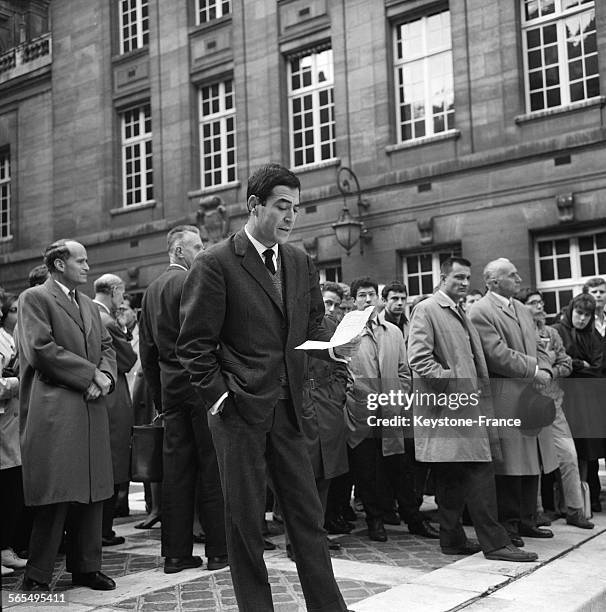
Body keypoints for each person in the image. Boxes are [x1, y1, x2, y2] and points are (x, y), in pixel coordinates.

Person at [177, 164, 352, 612]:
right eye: (282, 207)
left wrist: (337, 342)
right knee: (245, 524)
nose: (292, 217)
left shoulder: (300, 260)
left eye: (296, 208)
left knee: (308, 518)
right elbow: (194, 345)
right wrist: (220, 398)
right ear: (254, 206)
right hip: (239, 413)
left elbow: (311, 324)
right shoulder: (215, 262)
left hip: (293, 409)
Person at [408, 258, 538, 562]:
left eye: (468, 278)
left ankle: (451, 539)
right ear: (442, 278)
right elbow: (418, 358)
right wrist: (454, 386)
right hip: (450, 411)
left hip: (463, 411)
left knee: (452, 479)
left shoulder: (458, 310)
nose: (465, 283)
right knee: (481, 475)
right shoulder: (427, 310)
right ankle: (495, 543)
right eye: (458, 278)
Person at [17, 239, 117, 592]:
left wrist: (103, 377)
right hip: (56, 412)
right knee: (57, 493)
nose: (88, 267)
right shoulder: (35, 299)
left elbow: (107, 346)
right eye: (81, 261)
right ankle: (38, 574)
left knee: (93, 491)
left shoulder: (88, 304)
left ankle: (88, 567)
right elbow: (43, 350)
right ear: (59, 265)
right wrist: (92, 375)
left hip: (90, 408)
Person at [139, 225, 227, 574]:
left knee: (175, 474)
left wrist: (160, 398)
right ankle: (219, 551)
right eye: (197, 246)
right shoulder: (192, 281)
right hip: (201, 386)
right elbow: (209, 336)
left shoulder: (150, 290)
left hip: (171, 390)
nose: (202, 252)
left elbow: (147, 351)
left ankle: (175, 555)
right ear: (178, 251)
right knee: (211, 468)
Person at [468, 258, 558, 547]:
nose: (519, 279)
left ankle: (528, 519)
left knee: (533, 458)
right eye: (512, 275)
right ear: (493, 281)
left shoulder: (520, 308)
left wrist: (546, 370)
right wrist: (535, 369)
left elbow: (538, 345)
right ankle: (509, 523)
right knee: (510, 464)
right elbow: (497, 354)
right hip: (506, 395)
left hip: (531, 393)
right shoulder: (481, 311)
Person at [345, 277, 438, 542]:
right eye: (361, 295)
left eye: (371, 294)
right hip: (360, 413)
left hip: (391, 410)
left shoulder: (393, 332)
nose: (367, 299)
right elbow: (342, 371)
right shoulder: (345, 332)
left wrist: (399, 398)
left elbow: (403, 370)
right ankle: (375, 520)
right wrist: (354, 398)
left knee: (401, 467)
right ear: (353, 301)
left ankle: (413, 518)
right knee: (367, 470)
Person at [285, 282, 351, 559]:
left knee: (325, 474)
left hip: (327, 404)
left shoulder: (331, 325)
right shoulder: (289, 322)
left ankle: (317, 535)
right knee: (301, 477)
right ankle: (296, 541)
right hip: (300, 403)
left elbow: (341, 362)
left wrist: (336, 395)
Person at [519, 289, 593, 528]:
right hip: (528, 404)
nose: (539, 306)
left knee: (569, 456)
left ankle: (575, 510)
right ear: (521, 307)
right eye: (533, 303)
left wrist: (550, 370)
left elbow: (566, 363)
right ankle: (536, 511)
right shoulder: (519, 334)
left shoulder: (551, 332)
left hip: (554, 404)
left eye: (541, 302)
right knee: (533, 461)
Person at [93, 274, 138, 546]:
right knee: (112, 461)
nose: (123, 298)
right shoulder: (107, 319)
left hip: (102, 393)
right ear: (115, 290)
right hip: (112, 395)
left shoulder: (88, 311)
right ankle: (103, 529)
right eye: (122, 292)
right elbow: (128, 358)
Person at [552, 293, 606, 509]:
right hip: (565, 398)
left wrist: (578, 366)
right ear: (571, 310)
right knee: (567, 449)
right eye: (579, 313)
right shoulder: (558, 331)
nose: (582, 318)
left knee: (589, 451)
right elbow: (559, 362)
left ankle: (589, 499)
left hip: (589, 400)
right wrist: (580, 364)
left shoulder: (594, 337)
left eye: (586, 315)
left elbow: (599, 369)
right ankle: (566, 502)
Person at [0, 293, 27, 575]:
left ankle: (7, 548)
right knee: (8, 487)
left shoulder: (14, 337)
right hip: (5, 422)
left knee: (13, 486)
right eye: (13, 310)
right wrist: (19, 380)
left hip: (14, 421)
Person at [582, 277, 606, 512]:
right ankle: (595, 496)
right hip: (590, 392)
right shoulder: (582, 322)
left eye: (602, 291)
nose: (599, 295)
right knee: (591, 447)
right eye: (594, 292)